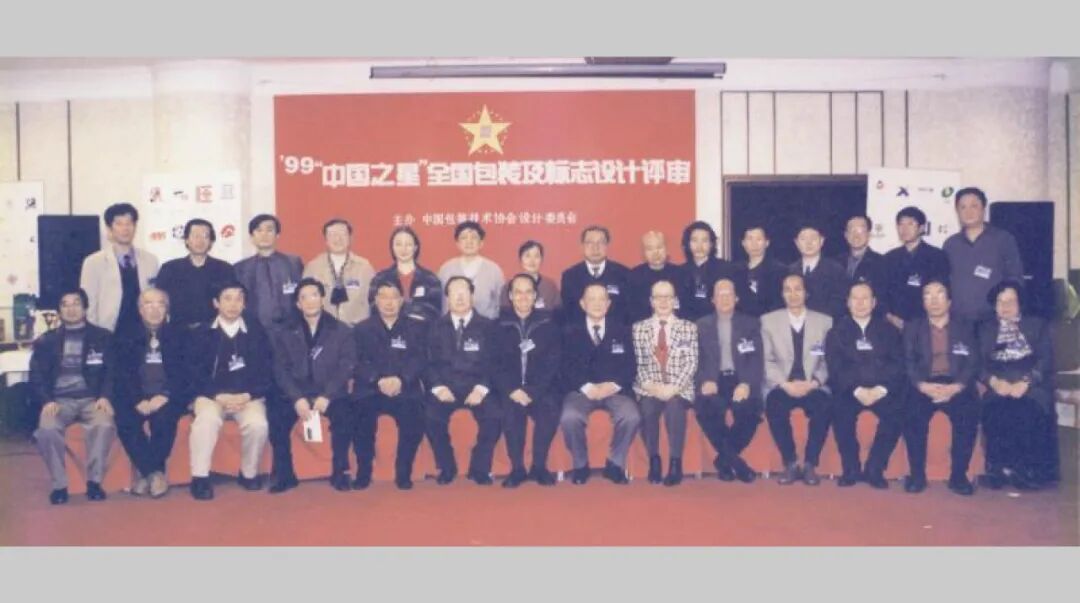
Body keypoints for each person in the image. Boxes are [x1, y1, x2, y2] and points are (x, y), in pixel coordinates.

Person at [267, 278, 358, 494]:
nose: (310, 301)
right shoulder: (283, 332)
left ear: (322, 299)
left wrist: (327, 395)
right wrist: (296, 398)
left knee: (345, 416)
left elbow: (346, 366)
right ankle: (285, 475)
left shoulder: (341, 330)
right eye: (304, 297)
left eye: (315, 295)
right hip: (296, 393)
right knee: (276, 416)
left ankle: (340, 472)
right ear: (298, 304)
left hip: (330, 393)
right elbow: (280, 369)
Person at [185, 281, 272, 500]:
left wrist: (248, 395)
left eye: (239, 299)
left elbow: (266, 371)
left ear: (245, 304)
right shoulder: (201, 333)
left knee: (258, 425)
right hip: (212, 396)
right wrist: (217, 395)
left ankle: (248, 473)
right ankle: (200, 477)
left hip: (247, 397)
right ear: (216, 303)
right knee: (206, 422)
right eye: (227, 298)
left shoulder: (257, 332)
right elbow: (193, 374)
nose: (233, 304)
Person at [29, 287, 115, 504]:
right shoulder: (46, 341)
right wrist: (47, 401)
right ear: (58, 310)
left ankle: (94, 482)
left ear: (85, 308)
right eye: (65, 304)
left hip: (92, 399)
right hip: (59, 401)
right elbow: (36, 375)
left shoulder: (103, 337)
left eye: (76, 303)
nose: (71, 309)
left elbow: (113, 371)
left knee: (104, 424)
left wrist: (105, 396)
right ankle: (60, 485)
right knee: (47, 428)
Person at [901, 279, 981, 496]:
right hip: (923, 383)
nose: (934, 300)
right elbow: (907, 361)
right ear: (923, 301)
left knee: (967, 415)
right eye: (928, 295)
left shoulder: (965, 327)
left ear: (949, 301)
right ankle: (917, 476)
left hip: (956, 383)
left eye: (940, 294)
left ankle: (958, 477)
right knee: (913, 415)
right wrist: (922, 385)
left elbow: (973, 361)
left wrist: (957, 386)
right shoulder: (913, 327)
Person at [824, 282, 905, 489]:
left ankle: (875, 468)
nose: (860, 303)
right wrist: (857, 389)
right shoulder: (836, 332)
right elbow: (835, 367)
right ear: (848, 303)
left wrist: (881, 389)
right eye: (855, 298)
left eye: (865, 298)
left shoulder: (890, 331)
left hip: (882, 390)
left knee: (897, 413)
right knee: (840, 412)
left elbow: (897, 364)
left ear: (874, 302)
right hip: (850, 389)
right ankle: (850, 468)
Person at [977, 280, 1055, 491]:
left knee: (1025, 411)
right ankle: (997, 468)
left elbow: (1046, 360)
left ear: (1020, 303)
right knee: (996, 410)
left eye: (1011, 301)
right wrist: (993, 382)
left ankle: (1024, 470)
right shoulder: (985, 329)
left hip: (1031, 385)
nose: (1005, 306)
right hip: (999, 385)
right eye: (1000, 301)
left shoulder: (1037, 325)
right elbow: (978, 364)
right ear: (994, 305)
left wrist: (1026, 382)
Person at [559, 283, 640, 485]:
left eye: (601, 299)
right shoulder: (569, 331)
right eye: (591, 299)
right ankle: (580, 465)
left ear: (608, 303)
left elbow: (631, 365)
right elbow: (564, 366)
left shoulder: (622, 330)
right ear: (582, 304)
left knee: (631, 416)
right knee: (569, 417)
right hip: (581, 391)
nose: (597, 303)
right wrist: (587, 387)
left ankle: (615, 464)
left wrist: (613, 385)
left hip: (614, 391)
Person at [424, 276, 502, 485]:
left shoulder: (488, 327)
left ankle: (479, 468)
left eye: (464, 291)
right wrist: (439, 387)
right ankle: (446, 467)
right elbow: (428, 362)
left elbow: (495, 362)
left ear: (472, 296)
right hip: (446, 386)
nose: (459, 297)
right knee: (430, 416)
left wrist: (481, 388)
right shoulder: (435, 327)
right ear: (447, 298)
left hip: (477, 386)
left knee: (494, 416)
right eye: (454, 292)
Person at [353, 280, 430, 490]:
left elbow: (420, 359)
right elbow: (356, 362)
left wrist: (401, 379)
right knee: (360, 418)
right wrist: (377, 379)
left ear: (401, 300)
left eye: (394, 297)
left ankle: (403, 472)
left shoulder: (416, 327)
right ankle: (363, 472)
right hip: (371, 388)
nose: (389, 302)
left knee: (414, 416)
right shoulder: (361, 329)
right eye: (384, 297)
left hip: (405, 387)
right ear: (375, 301)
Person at [111, 288, 186, 499]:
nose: (154, 309)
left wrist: (165, 395)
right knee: (126, 420)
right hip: (137, 395)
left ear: (167, 309)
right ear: (140, 310)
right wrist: (138, 399)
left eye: (160, 304)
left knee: (164, 420)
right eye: (148, 304)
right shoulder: (126, 336)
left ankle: (146, 475)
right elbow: (122, 373)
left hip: (167, 395)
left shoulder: (179, 335)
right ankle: (154, 473)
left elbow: (185, 373)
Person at [760, 273, 834, 486]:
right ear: (782, 294)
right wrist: (784, 384)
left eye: (798, 289)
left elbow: (828, 360)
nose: (793, 294)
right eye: (788, 290)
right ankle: (790, 462)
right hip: (782, 384)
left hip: (813, 383)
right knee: (775, 405)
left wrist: (814, 383)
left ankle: (810, 463)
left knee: (823, 406)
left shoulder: (825, 322)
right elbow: (766, 360)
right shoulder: (768, 321)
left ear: (806, 292)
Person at [492, 274, 562, 487]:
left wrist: (532, 391)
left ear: (535, 296)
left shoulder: (549, 324)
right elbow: (494, 364)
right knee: (510, 412)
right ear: (510, 296)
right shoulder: (498, 325)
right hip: (510, 389)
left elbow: (552, 363)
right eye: (518, 292)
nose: (523, 297)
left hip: (540, 388)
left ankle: (539, 467)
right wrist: (512, 390)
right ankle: (517, 469)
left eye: (528, 292)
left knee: (549, 409)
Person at [694, 278, 763, 483]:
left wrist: (746, 383)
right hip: (713, 379)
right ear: (713, 300)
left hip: (740, 378)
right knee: (706, 408)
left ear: (736, 298)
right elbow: (694, 360)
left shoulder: (750, 324)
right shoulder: (700, 325)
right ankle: (736, 463)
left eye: (729, 294)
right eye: (720, 294)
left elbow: (757, 359)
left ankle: (724, 461)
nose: (724, 298)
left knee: (750, 409)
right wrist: (704, 380)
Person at [632, 280, 698, 486]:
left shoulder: (688, 328)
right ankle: (654, 459)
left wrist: (674, 388)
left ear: (675, 300)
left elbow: (691, 362)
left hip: (679, 387)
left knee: (675, 407)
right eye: (658, 297)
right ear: (651, 301)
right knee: (647, 408)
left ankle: (676, 463)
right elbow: (637, 363)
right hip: (649, 387)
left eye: (667, 297)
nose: (663, 302)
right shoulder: (638, 329)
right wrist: (651, 386)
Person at [943, 187, 1024, 325]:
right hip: (958, 322)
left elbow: (1015, 277)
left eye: (974, 206)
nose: (968, 212)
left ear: (983, 209)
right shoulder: (950, 244)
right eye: (963, 207)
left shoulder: (1003, 239)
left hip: (993, 321)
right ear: (957, 211)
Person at [80, 202, 159, 337]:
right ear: (109, 229)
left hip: (143, 333)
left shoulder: (150, 261)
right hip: (108, 333)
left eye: (129, 223)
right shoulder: (93, 263)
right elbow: (89, 305)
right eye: (119, 224)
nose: (125, 228)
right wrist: (93, 337)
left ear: (135, 227)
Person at [153, 219, 237, 331]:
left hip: (215, 333)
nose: (200, 241)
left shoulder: (225, 269)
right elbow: (159, 302)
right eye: (195, 236)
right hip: (177, 331)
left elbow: (232, 302)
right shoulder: (169, 269)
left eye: (205, 236)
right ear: (186, 240)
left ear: (211, 241)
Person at [881, 206, 950, 331]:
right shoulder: (889, 258)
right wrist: (890, 317)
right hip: (892, 325)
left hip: (924, 326)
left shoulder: (936, 256)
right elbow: (882, 292)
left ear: (921, 228)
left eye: (910, 224)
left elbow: (940, 293)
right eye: (901, 224)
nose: (905, 229)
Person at [234, 214, 304, 332]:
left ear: (277, 235)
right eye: (259, 230)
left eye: (269, 230)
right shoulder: (241, 268)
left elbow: (302, 295)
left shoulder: (293, 263)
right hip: (254, 332)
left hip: (290, 331)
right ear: (251, 237)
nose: (264, 235)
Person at [303, 218, 376, 326]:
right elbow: (304, 302)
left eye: (342, 234)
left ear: (350, 238)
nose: (338, 238)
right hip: (325, 330)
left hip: (357, 330)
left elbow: (374, 302)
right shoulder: (313, 268)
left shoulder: (364, 268)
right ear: (326, 240)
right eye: (332, 234)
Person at [369, 226, 443, 323]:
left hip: (422, 330)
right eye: (398, 244)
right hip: (388, 330)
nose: (403, 249)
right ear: (392, 247)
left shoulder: (430, 279)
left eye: (408, 244)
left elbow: (434, 310)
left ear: (415, 247)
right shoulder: (380, 279)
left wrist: (399, 311)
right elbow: (374, 308)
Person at [560, 225, 631, 325]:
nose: (595, 247)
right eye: (590, 242)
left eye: (600, 242)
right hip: (580, 331)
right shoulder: (570, 276)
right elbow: (569, 312)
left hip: (616, 330)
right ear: (582, 246)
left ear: (607, 245)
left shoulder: (623, 274)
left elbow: (627, 311)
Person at [437, 221, 505, 320]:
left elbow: (500, 304)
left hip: (487, 326)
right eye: (464, 238)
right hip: (453, 326)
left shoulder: (494, 270)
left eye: (474, 237)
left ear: (481, 243)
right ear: (457, 243)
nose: (469, 241)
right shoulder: (446, 269)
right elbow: (442, 303)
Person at [677, 221, 742, 323]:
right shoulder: (679, 272)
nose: (699, 246)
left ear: (712, 244)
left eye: (704, 241)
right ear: (687, 244)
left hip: (717, 323)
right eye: (694, 240)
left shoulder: (725, 268)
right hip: (687, 324)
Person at [790, 223, 849, 320]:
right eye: (803, 239)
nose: (809, 243)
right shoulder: (790, 271)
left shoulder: (836, 270)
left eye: (813, 238)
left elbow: (840, 304)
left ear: (822, 241)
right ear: (796, 243)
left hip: (826, 324)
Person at [627, 231, 683, 323]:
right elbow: (631, 310)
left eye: (659, 247)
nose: (656, 253)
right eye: (650, 249)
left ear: (667, 249)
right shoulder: (634, 276)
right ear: (643, 253)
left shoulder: (680, 274)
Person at [836, 215, 887, 314]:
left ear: (869, 234)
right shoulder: (835, 262)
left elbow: (882, 298)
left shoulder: (881, 263)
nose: (856, 235)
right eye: (852, 231)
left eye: (861, 231)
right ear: (846, 235)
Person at [734, 224, 787, 317]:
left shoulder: (779, 271)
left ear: (767, 243)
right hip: (742, 322)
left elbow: (779, 303)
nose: (754, 244)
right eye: (750, 239)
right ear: (743, 243)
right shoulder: (735, 270)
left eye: (759, 239)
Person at [498, 240, 560, 314]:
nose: (532, 261)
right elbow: (504, 313)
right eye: (527, 256)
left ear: (541, 259)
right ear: (520, 259)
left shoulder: (550, 286)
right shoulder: (509, 285)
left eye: (536, 256)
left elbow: (558, 311)